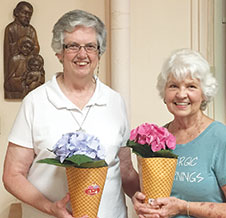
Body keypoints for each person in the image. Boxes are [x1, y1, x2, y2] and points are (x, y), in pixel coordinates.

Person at [3, 9, 139, 218]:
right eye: (73, 46)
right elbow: (13, 175)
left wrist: (142, 196)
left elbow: (125, 170)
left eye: (90, 46)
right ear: (59, 52)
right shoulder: (36, 101)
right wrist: (51, 208)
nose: (82, 54)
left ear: (99, 52)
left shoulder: (115, 101)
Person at [132, 48, 226, 218]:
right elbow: (153, 196)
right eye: (173, 86)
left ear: (204, 94)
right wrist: (141, 201)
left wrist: (184, 207)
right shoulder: (156, 140)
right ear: (164, 93)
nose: (181, 94)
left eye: (191, 86)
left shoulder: (222, 140)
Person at [4, 1, 40, 91]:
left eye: (29, 14)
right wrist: (20, 43)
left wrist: (30, 48)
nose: (27, 16)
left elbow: (36, 48)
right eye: (24, 13)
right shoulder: (11, 29)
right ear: (16, 12)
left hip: (29, 62)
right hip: (16, 64)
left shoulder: (31, 30)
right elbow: (8, 51)